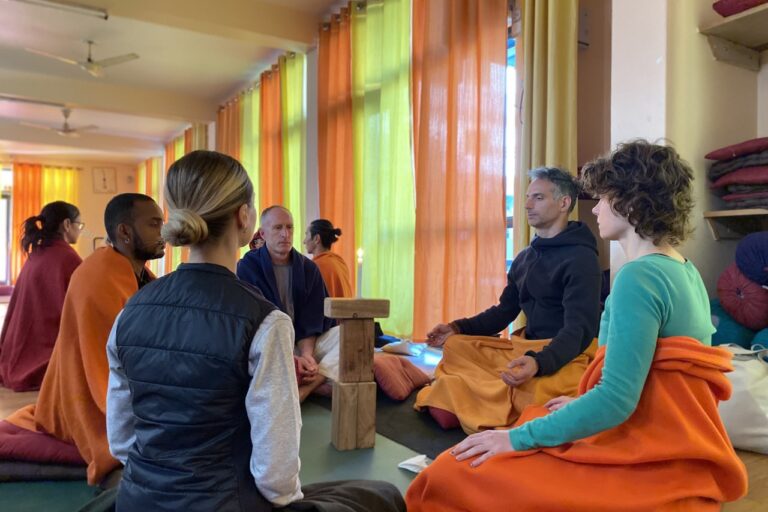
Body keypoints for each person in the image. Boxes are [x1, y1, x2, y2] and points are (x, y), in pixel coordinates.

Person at [405, 140, 749, 511]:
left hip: (649, 445)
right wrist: (583, 402)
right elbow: (649, 381)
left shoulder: (639, 277)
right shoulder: (684, 268)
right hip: (674, 436)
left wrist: (516, 439)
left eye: (602, 197)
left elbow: (617, 400)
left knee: (449, 473)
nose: (597, 207)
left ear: (631, 203)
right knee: (538, 413)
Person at [107, 150, 404, 512]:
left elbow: (121, 442)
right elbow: (276, 480)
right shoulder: (264, 320)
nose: (285, 234)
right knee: (382, 495)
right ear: (245, 218)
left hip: (138, 500)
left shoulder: (128, 314)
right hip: (227, 502)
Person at [416, 167, 602, 432]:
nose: (526, 205)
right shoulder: (525, 257)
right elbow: (504, 311)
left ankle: (463, 399)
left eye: (538, 197)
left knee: (536, 390)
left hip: (566, 353)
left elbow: (579, 330)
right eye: (527, 197)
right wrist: (456, 327)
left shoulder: (581, 259)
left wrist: (538, 363)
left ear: (564, 203)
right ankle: (478, 396)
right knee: (456, 346)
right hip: (525, 348)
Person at [3, 193, 165, 486]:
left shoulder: (132, 270)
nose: (163, 232)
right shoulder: (99, 275)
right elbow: (102, 366)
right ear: (125, 232)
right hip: (82, 397)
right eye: (154, 224)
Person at [238, 206, 340, 401]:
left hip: (304, 345)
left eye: (290, 227)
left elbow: (311, 319)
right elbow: (253, 325)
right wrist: (293, 359)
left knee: (345, 338)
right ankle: (320, 379)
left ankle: (309, 385)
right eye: (278, 228)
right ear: (263, 233)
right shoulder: (248, 267)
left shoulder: (308, 268)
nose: (285, 234)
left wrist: (307, 355)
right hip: (271, 347)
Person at [0, 201, 83, 391]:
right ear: (67, 224)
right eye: (79, 225)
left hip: (19, 350)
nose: (79, 230)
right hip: (44, 350)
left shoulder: (37, 253)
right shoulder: (67, 257)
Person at [303, 219, 353, 298]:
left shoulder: (315, 267)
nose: (304, 241)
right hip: (344, 310)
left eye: (306, 235)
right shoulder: (340, 262)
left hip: (328, 310)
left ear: (316, 238)